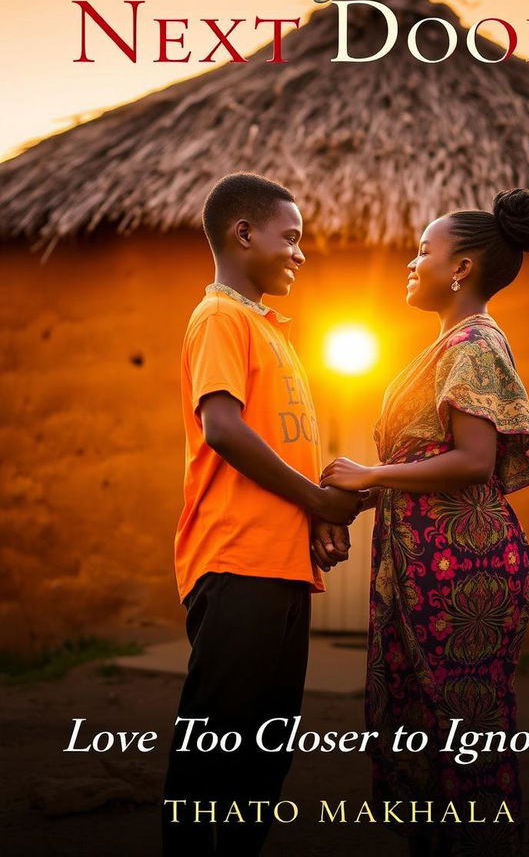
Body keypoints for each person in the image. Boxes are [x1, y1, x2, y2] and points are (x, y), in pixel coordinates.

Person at [321, 189, 529, 857]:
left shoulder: (475, 345)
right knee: (425, 725)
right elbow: (421, 456)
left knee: (462, 730)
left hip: (464, 570)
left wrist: (369, 477)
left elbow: (473, 461)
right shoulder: (453, 343)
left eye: (425, 250)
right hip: (428, 561)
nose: (411, 262)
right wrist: (357, 494)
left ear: (463, 268)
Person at [162, 172, 360, 856]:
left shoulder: (272, 331)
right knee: (214, 754)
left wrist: (319, 519)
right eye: (292, 237)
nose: (301, 253)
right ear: (244, 235)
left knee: (262, 754)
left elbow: (285, 448)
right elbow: (223, 428)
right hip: (236, 559)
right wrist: (316, 500)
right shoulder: (221, 317)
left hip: (280, 564)